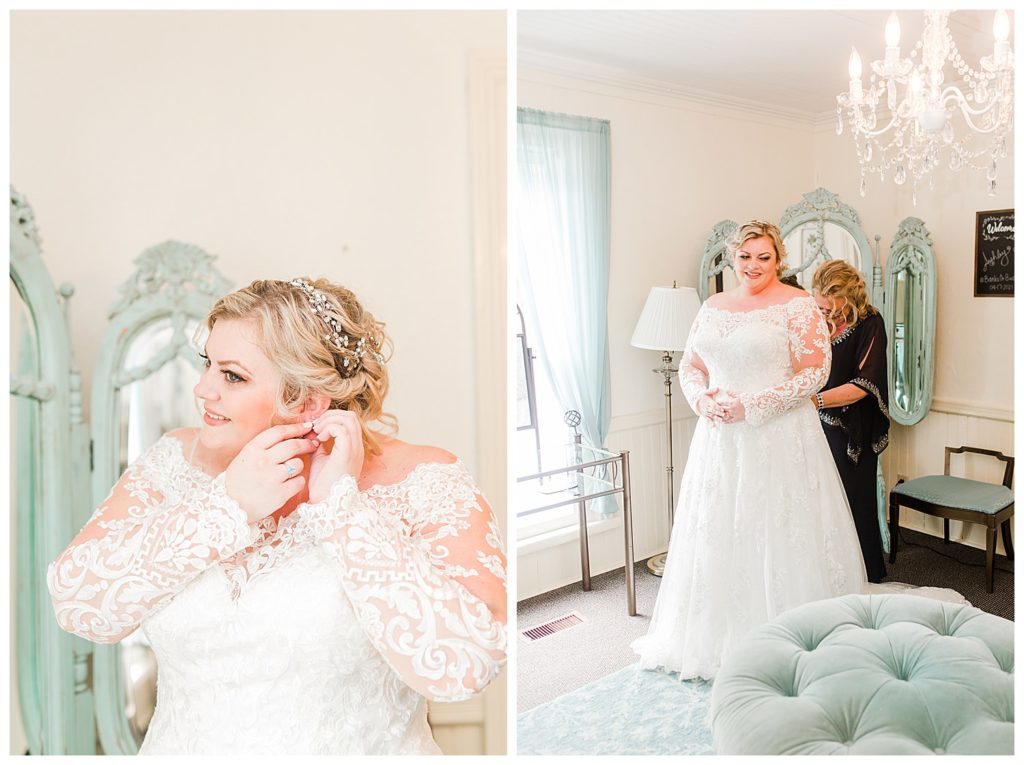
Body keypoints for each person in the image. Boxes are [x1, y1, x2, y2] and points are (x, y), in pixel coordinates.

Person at [47, 278, 507, 755]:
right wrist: (225, 506)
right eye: (209, 364)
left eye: (232, 376)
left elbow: (464, 666)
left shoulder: (424, 480)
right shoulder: (174, 464)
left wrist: (341, 511)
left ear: (307, 402)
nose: (202, 388)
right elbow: (78, 607)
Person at [632, 220, 867, 680]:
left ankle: (785, 641)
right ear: (732, 258)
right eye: (745, 257)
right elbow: (691, 364)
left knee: (776, 530)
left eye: (764, 257)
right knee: (722, 529)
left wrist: (753, 404)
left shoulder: (797, 306)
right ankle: (715, 639)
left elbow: (815, 373)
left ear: (778, 259)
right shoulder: (714, 305)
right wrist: (701, 399)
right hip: (720, 439)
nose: (753, 266)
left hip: (778, 437)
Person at [810, 260, 889, 583]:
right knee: (817, 501)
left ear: (851, 298)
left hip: (852, 428)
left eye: (833, 308)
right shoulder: (812, 319)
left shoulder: (870, 323)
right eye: (820, 306)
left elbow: (864, 383)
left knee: (853, 501)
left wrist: (813, 400)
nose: (826, 314)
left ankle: (862, 574)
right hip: (813, 425)